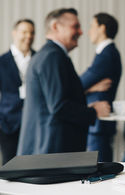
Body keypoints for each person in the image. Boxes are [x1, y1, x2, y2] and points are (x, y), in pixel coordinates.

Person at [17, 8, 110, 155]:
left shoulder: (49, 55)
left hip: (48, 151)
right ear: (55, 27)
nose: (81, 32)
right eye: (75, 26)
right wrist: (93, 112)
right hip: (51, 154)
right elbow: (58, 106)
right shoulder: (52, 57)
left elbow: (54, 102)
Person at [80, 13, 122, 162]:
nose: (89, 31)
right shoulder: (107, 53)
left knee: (97, 172)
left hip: (98, 124)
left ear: (102, 28)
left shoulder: (106, 55)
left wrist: (88, 87)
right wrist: (93, 88)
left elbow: (78, 85)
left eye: (92, 26)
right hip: (97, 124)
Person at [0, 19, 35, 164]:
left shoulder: (39, 58)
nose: (29, 36)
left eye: (32, 33)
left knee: (33, 166)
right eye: (24, 32)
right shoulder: (2, 61)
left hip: (34, 123)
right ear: (14, 33)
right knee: (9, 166)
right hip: (8, 124)